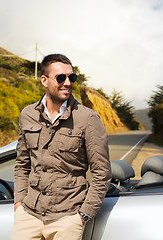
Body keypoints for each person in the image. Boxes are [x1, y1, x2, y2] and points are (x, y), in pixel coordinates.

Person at [11, 54, 111, 240]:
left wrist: (83, 215)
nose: (68, 83)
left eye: (71, 77)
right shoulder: (28, 115)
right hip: (29, 215)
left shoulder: (88, 119)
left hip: (67, 218)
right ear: (44, 80)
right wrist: (19, 203)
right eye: (60, 78)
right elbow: (22, 164)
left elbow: (101, 173)